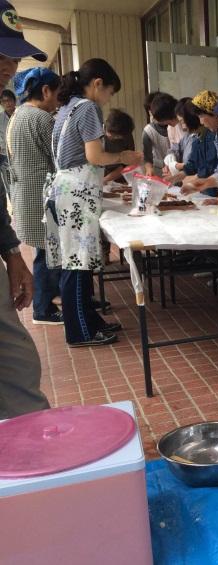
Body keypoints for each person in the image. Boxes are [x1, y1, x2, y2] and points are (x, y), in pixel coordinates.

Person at [45, 58, 142, 347]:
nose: (109, 98)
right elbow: (95, 157)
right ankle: (80, 332)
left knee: (78, 264)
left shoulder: (67, 108)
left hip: (65, 191)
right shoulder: (87, 107)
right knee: (77, 266)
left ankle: (89, 321)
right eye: (110, 91)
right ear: (98, 83)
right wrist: (124, 157)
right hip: (75, 195)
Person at [0, 0, 51, 419]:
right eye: (0, 56)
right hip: (36, 197)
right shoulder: (38, 119)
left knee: (18, 368)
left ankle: (35, 464)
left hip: (18, 211)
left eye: (13, 58)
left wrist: (11, 252)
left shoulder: (11, 117)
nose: (7, 67)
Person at [6, 67, 62, 325]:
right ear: (46, 90)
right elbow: (59, 160)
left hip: (24, 195)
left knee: (43, 252)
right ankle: (43, 309)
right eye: (57, 93)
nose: (58, 100)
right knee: (47, 253)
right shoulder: (43, 119)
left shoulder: (16, 116)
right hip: (41, 194)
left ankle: (49, 301)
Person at [142, 91, 172, 177]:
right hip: (160, 172)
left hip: (177, 170)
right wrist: (149, 168)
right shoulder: (148, 131)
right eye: (150, 112)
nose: (152, 116)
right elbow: (147, 157)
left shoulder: (174, 125)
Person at [103, 109, 135, 184]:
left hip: (121, 180)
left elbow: (126, 164)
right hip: (98, 177)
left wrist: (105, 180)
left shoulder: (126, 135)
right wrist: (101, 181)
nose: (114, 138)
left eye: (118, 137)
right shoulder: (96, 135)